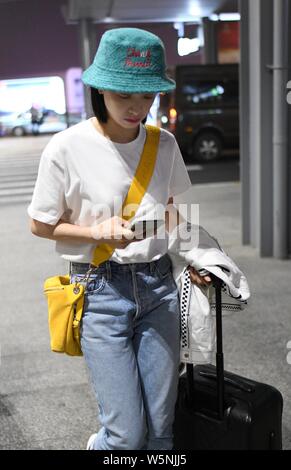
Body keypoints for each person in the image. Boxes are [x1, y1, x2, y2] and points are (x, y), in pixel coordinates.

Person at [27, 27, 211, 450]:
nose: (137, 106)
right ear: (101, 89)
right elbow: (39, 223)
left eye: (146, 96)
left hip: (159, 288)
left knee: (163, 431)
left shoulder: (162, 144)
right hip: (100, 291)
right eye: (125, 94)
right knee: (126, 436)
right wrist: (95, 232)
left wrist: (195, 256)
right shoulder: (66, 147)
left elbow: (168, 208)